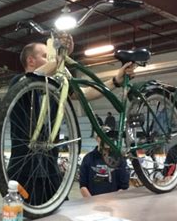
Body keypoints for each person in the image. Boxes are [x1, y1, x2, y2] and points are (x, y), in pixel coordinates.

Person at [7, 38, 136, 205]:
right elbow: (33, 77)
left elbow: (85, 93)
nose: (52, 60)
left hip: (51, 173)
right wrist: (60, 56)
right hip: (22, 173)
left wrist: (115, 81)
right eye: (47, 56)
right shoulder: (18, 83)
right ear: (31, 60)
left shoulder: (56, 87)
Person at [80, 126, 129, 197]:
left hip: (114, 204)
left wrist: (111, 204)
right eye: (104, 137)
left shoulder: (118, 159)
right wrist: (91, 202)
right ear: (97, 139)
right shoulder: (88, 158)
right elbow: (83, 185)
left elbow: (124, 187)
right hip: (92, 204)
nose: (107, 139)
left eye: (109, 137)